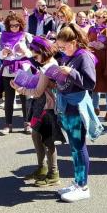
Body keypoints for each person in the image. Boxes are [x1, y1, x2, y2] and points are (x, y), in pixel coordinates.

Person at [54, 24, 103, 202]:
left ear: (74, 42)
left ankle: (83, 186)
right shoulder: (70, 55)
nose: (61, 50)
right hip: (67, 105)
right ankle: (77, 182)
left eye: (64, 46)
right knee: (73, 147)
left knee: (78, 145)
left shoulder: (84, 57)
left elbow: (90, 83)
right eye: (59, 47)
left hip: (76, 106)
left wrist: (71, 72)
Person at [11, 36, 66, 187]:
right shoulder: (48, 63)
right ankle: (42, 169)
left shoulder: (49, 67)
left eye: (36, 54)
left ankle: (53, 174)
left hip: (46, 108)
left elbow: (37, 91)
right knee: (36, 136)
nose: (35, 57)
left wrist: (19, 88)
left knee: (48, 141)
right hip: (42, 106)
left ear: (43, 51)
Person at [0, 13, 32, 135]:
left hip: (22, 69)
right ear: (8, 26)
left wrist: (25, 51)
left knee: (25, 98)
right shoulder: (3, 36)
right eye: (12, 26)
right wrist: (4, 53)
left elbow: (32, 54)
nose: (15, 28)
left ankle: (27, 123)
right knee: (9, 99)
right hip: (8, 70)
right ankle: (8, 125)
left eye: (17, 25)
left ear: (21, 24)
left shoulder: (25, 35)